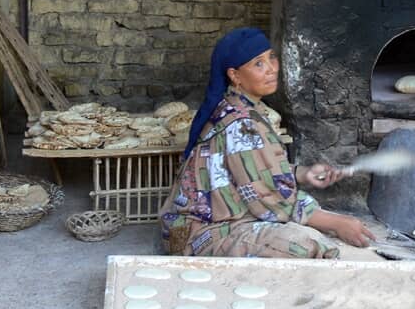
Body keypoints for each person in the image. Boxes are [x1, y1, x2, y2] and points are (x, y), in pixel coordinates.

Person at [159, 27, 375, 258]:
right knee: (305, 246)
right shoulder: (242, 124)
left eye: (271, 57)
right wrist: (336, 222)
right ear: (235, 75)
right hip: (201, 234)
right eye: (258, 64)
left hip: (219, 219)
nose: (271, 69)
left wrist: (302, 173)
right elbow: (270, 199)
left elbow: (254, 172)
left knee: (307, 228)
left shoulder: (242, 108)